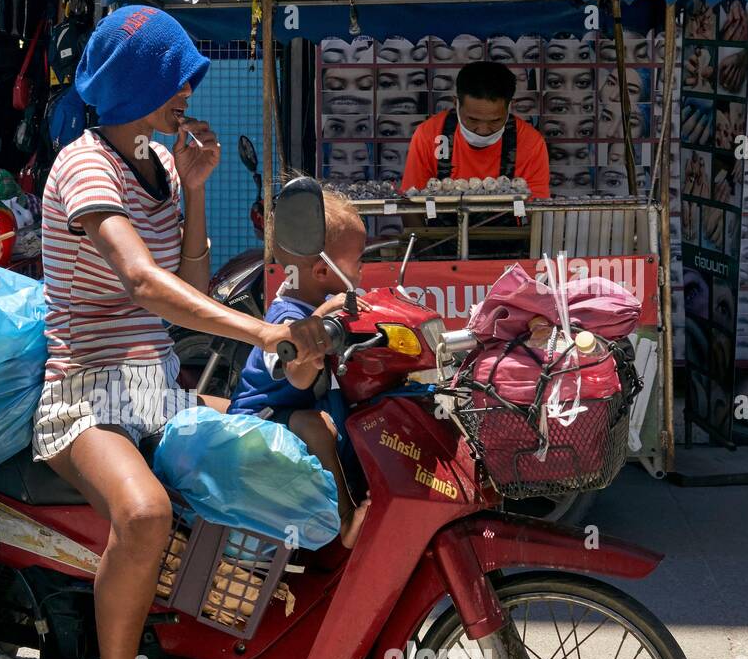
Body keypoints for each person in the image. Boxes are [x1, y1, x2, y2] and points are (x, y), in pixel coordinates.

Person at [36, 6, 327, 659]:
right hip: (84, 392)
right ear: (137, 84)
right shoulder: (84, 167)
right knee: (147, 517)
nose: (189, 93)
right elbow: (138, 280)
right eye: (176, 79)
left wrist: (195, 191)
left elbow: (187, 285)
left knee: (268, 472)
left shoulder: (162, 163)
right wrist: (260, 333)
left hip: (156, 388)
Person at [227, 189, 368, 549]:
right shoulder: (288, 318)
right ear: (322, 270)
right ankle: (345, 519)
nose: (362, 269)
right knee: (316, 426)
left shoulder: (319, 304)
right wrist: (315, 329)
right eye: (359, 261)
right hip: (261, 420)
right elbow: (295, 373)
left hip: (295, 410)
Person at [401, 60, 550, 198]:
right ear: (456, 103)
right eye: (473, 119)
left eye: (495, 120)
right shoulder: (428, 135)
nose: (483, 130)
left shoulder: (531, 142)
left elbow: (537, 208)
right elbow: (411, 200)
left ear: (511, 106)